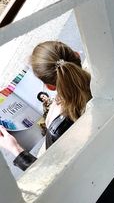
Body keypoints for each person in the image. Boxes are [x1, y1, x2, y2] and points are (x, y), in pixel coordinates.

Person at [0, 41, 92, 170]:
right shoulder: (106, 76)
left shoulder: (58, 129)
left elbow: (48, 173)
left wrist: (16, 150)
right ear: (77, 55)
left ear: (50, 86)